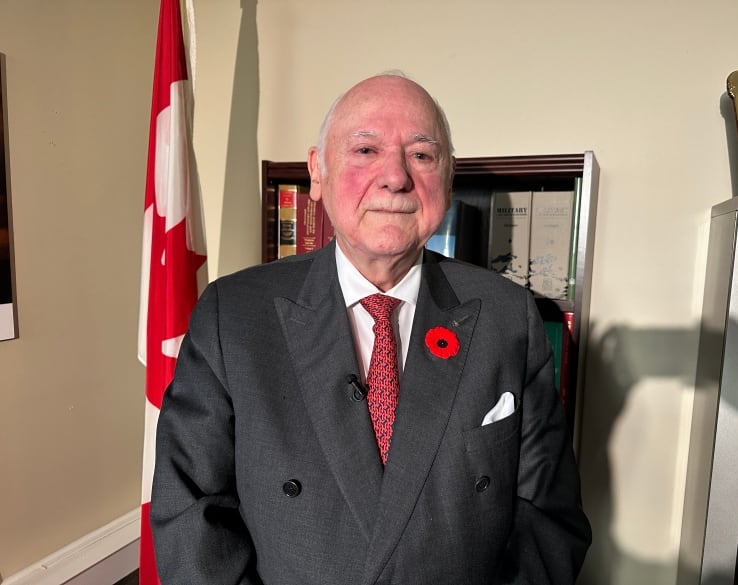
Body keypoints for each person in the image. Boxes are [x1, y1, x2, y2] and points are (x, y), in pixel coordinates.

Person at [150, 72, 591, 584]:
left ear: (446, 177)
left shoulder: (508, 316)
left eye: (422, 156)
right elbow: (191, 514)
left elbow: (548, 519)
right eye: (365, 150)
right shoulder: (234, 315)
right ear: (318, 171)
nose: (396, 177)